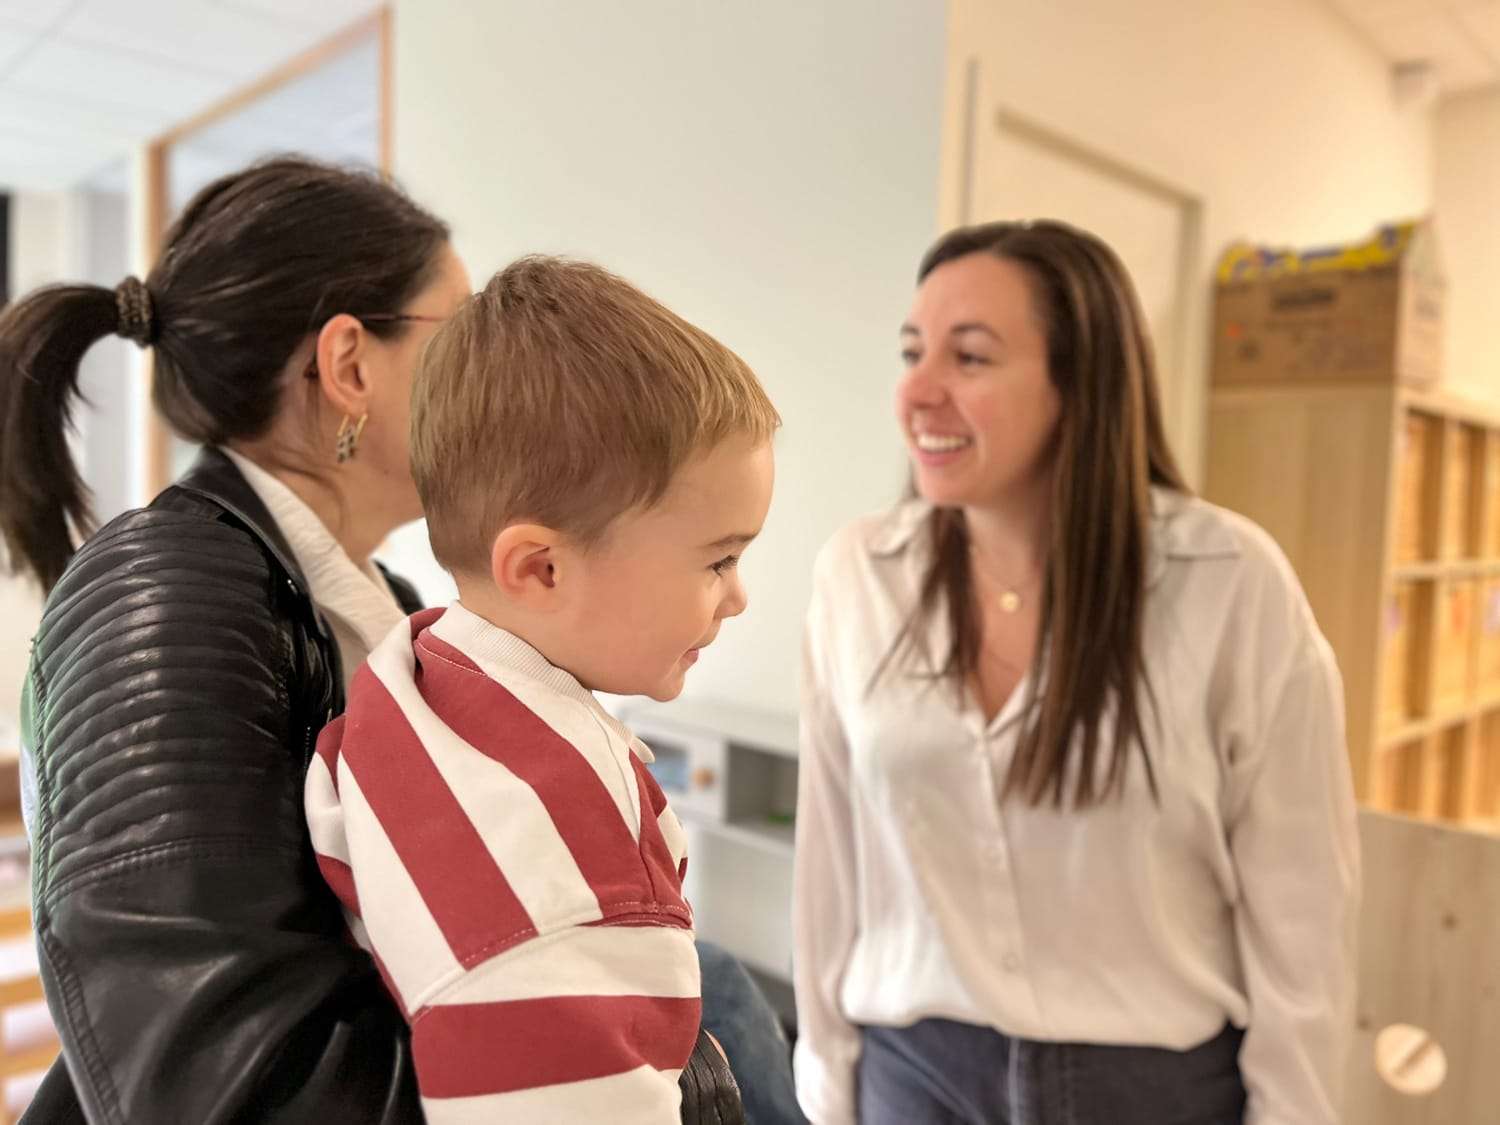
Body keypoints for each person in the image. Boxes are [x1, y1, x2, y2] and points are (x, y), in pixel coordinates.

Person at [0, 158, 769, 1124]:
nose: (490, 366)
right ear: (350, 368)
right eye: (459, 331)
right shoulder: (162, 596)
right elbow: (221, 1078)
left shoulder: (393, 610)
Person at [791, 220, 1359, 1125]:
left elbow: (1303, 910)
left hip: (1152, 1092)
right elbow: (829, 868)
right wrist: (827, 1089)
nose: (918, 391)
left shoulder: (1229, 581)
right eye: (912, 352)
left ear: (1079, 382)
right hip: (913, 1079)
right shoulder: (858, 575)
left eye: (969, 357)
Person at [307, 255, 779, 1122]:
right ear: (541, 568)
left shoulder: (416, 671)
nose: (738, 596)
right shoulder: (566, 886)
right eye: (718, 560)